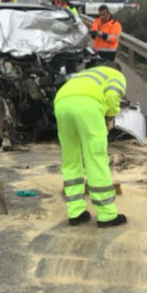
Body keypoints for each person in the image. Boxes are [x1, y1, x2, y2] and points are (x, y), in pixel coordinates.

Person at [53, 64, 128, 228]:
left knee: (70, 158)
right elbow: (113, 96)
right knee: (96, 158)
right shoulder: (117, 75)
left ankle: (76, 213)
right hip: (87, 106)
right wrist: (110, 116)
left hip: (61, 103)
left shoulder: (85, 74)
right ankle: (107, 215)